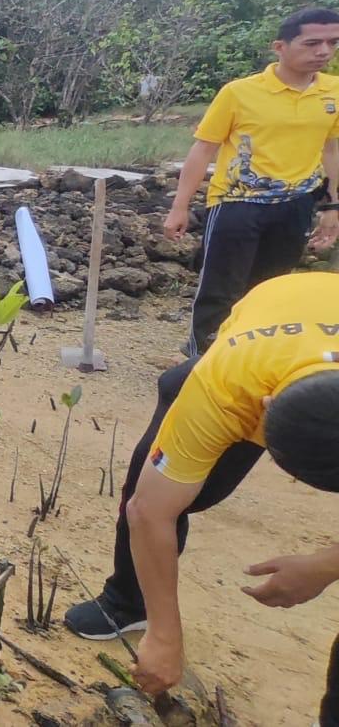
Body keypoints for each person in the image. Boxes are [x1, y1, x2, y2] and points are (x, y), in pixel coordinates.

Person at [61, 272, 339, 724]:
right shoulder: (226, 388)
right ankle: (128, 602)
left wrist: (326, 565)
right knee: (156, 479)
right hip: (272, 322)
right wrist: (166, 637)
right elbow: (150, 511)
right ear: (263, 411)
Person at [166, 7, 339, 355]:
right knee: (220, 287)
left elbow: (331, 149)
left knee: (270, 287)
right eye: (312, 43)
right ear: (280, 47)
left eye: (332, 43)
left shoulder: (333, 92)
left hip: (296, 204)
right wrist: (179, 206)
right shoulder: (239, 93)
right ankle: (202, 357)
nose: (323, 52)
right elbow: (203, 150)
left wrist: (331, 205)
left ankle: (247, 356)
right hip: (236, 203)